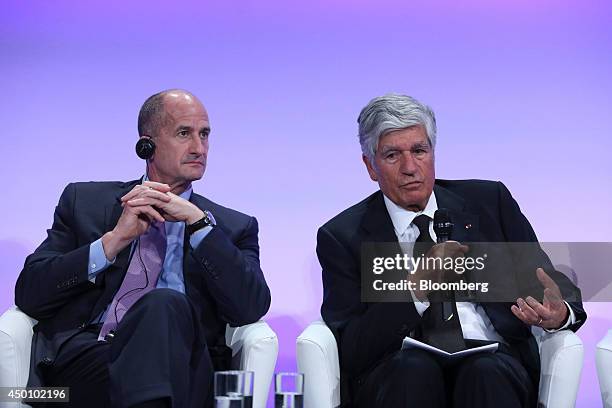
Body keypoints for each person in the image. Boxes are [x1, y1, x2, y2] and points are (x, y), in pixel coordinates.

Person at [317, 93, 586, 408]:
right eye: (392, 155)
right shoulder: (342, 236)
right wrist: (416, 288)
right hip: (397, 371)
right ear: (371, 166)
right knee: (414, 369)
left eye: (419, 150)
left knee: (484, 370)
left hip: (493, 362)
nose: (409, 167)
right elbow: (352, 348)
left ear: (433, 152)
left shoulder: (489, 202)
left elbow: (548, 282)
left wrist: (559, 313)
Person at [15, 89, 271, 408]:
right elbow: (30, 294)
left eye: (204, 135)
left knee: (163, 304)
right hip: (90, 362)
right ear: (146, 144)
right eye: (184, 133)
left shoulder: (232, 227)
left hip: (184, 367)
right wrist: (113, 241)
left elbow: (251, 308)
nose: (199, 148)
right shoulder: (85, 202)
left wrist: (200, 226)